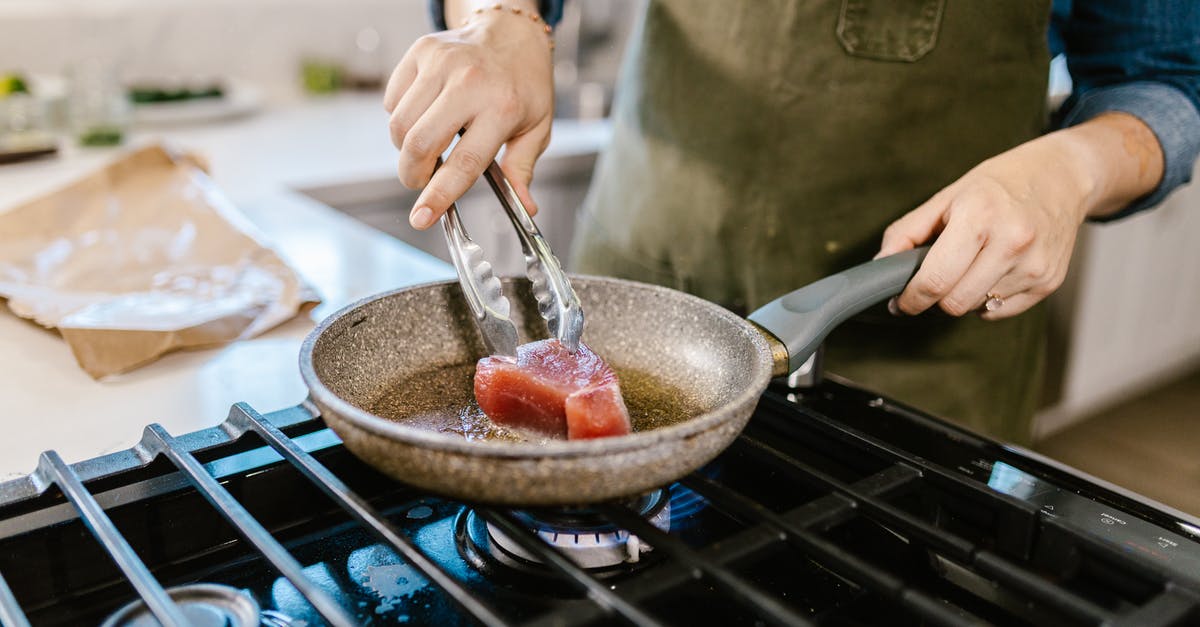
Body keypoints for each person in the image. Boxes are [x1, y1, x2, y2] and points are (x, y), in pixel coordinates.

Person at [383, 0, 1200, 443]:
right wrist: (504, 19)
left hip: (919, 352)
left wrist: (1073, 167)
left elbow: (1165, 83)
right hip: (642, 281)